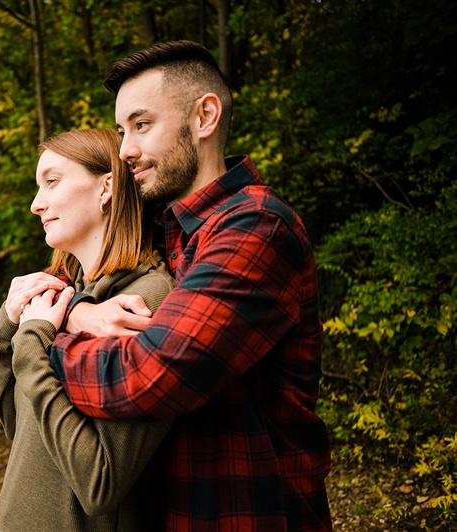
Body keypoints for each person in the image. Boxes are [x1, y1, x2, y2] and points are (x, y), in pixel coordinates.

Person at [43, 41, 333, 530]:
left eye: (141, 125)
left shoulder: (257, 228)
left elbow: (148, 377)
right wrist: (75, 311)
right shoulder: (160, 230)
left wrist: (44, 341)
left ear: (204, 117)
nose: (126, 149)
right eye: (120, 131)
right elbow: (55, 289)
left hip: (247, 516)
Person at [0, 128, 175, 531]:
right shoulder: (67, 292)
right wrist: (7, 323)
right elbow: (15, 425)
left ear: (106, 187)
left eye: (51, 182)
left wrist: (31, 342)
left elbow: (100, 484)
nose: (35, 205)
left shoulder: (147, 303)